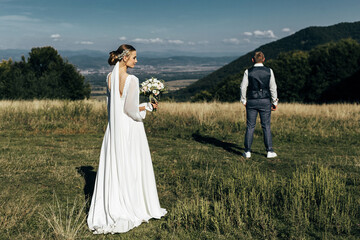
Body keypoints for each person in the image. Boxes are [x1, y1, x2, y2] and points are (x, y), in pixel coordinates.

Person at [87, 44, 167, 234]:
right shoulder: (132, 79)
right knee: (133, 164)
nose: (136, 61)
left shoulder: (109, 78)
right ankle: (134, 203)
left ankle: (115, 202)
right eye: (134, 57)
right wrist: (146, 109)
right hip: (130, 128)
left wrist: (143, 105)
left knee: (117, 163)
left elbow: (117, 106)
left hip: (114, 127)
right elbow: (130, 110)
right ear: (124, 58)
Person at [240, 51, 278, 158]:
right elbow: (273, 87)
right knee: (266, 126)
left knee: (250, 126)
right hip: (265, 101)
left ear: (253, 60)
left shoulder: (248, 71)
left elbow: (243, 87)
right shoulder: (269, 71)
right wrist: (274, 101)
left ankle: (247, 151)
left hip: (251, 100)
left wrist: (243, 100)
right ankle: (269, 151)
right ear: (264, 59)